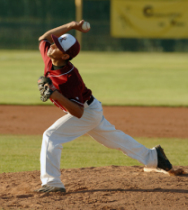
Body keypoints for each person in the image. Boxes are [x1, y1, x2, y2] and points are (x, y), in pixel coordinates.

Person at [35, 20, 172, 193]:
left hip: (87, 112)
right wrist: (71, 25)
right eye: (56, 42)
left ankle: (52, 183)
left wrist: (55, 95)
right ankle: (153, 157)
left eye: (57, 45)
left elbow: (78, 112)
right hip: (93, 108)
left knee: (51, 136)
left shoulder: (70, 78)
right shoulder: (50, 56)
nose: (52, 45)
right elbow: (43, 38)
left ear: (64, 56)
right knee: (114, 139)